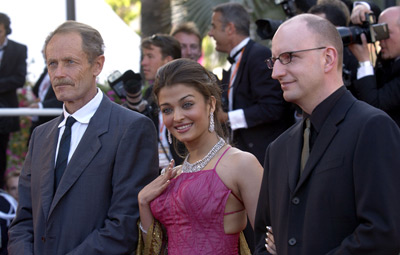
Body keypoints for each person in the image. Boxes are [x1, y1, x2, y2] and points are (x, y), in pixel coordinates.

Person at [7, 20, 159, 254]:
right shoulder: (41, 135)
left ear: (97, 65)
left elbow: (125, 226)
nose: (59, 73)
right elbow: (24, 220)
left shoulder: (132, 129)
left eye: (70, 62)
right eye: (52, 63)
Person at [254, 14, 400, 254]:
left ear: (328, 58)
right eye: (274, 61)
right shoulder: (278, 149)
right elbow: (262, 238)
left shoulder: (372, 128)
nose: (276, 72)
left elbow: (383, 232)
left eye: (288, 58)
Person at [136, 58, 263, 254]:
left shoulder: (241, 164)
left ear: (210, 104)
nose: (177, 117)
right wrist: (144, 202)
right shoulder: (172, 175)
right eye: (167, 109)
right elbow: (156, 249)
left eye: (187, 104)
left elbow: (271, 241)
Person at [208, 3, 294, 166]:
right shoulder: (237, 61)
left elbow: (272, 107)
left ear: (230, 29)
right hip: (243, 157)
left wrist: (226, 117)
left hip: (266, 159)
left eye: (214, 26)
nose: (210, 33)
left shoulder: (258, 56)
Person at [348, 5, 400, 127]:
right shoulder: (390, 58)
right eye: (377, 31)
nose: (380, 39)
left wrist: (364, 61)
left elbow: (374, 106)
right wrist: (362, 8)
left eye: (385, 32)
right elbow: (374, 10)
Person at [140, 34, 183, 169]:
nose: (144, 62)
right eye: (144, 56)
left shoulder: (186, 93)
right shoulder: (149, 93)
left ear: (168, 61)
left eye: (150, 56)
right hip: (156, 175)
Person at [0, 13, 27, 187]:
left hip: (5, 113)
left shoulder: (19, 49)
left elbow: (19, 79)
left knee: (1, 153)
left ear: (6, 30)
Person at [28, 66, 63, 138]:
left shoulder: (63, 71)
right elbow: (37, 90)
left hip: (53, 125)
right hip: (38, 125)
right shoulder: (46, 69)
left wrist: (41, 105)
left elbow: (64, 98)